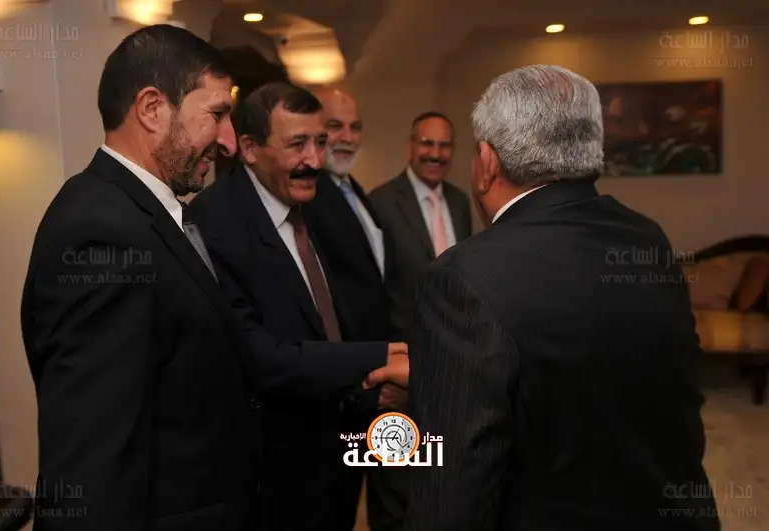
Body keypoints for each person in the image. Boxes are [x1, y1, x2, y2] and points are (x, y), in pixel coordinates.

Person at [391, 64, 720, 531]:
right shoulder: (646, 237)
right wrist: (444, 376)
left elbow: (452, 496)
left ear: (487, 163)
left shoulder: (458, 278)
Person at [20, 25, 260, 531]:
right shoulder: (102, 234)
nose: (229, 141)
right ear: (152, 109)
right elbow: (91, 458)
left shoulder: (143, 213)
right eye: (217, 114)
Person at [186, 82, 409, 531]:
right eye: (297, 144)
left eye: (320, 142)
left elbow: (340, 312)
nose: (315, 160)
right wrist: (380, 357)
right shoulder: (215, 221)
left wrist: (370, 387)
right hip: (272, 468)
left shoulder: (317, 199)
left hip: (339, 442)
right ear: (249, 148)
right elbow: (257, 356)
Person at [303, 86, 401, 530]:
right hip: (343, 384)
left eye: (355, 127)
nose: (346, 137)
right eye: (334, 126)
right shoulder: (309, 194)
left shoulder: (352, 190)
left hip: (372, 379)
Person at [369, 112, 472, 340]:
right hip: (404, 343)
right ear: (410, 147)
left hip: (457, 338)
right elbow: (373, 287)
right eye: (427, 143)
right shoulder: (380, 202)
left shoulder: (460, 202)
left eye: (444, 145)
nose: (435, 154)